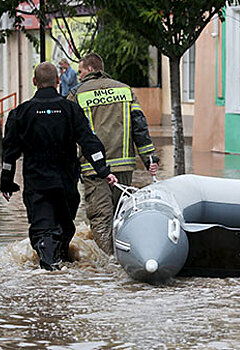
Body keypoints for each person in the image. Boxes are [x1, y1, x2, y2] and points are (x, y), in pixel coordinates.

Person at [0, 62, 117, 271]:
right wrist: (103, 170)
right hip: (66, 186)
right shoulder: (70, 110)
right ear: (57, 81)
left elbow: (9, 152)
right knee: (64, 228)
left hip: (37, 185)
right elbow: (90, 142)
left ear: (35, 82)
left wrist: (6, 182)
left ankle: (50, 273)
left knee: (43, 230)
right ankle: (59, 269)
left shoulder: (20, 113)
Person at [69, 52, 159, 254]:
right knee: (122, 215)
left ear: (91, 69)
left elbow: (69, 133)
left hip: (94, 169)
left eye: (80, 71)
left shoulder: (77, 94)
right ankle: (126, 259)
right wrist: (149, 158)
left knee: (101, 217)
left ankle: (107, 268)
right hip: (124, 166)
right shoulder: (125, 90)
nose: (79, 76)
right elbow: (139, 127)